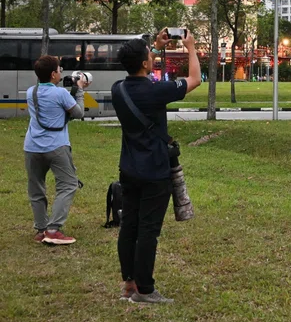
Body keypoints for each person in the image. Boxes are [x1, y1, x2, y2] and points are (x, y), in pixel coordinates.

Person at [111, 29, 200, 304]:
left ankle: (129, 284)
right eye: (150, 55)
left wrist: (156, 47)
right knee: (149, 231)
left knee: (129, 226)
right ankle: (145, 291)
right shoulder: (154, 93)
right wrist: (191, 48)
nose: (152, 56)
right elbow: (195, 79)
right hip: (154, 171)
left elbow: (144, 76)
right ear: (144, 64)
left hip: (129, 168)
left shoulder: (119, 89)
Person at [24, 56, 89, 245]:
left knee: (36, 188)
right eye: (59, 70)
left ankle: (41, 229)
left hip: (32, 147)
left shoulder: (31, 92)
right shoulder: (61, 94)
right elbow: (78, 113)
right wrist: (80, 90)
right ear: (53, 74)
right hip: (56, 146)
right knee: (68, 185)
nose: (61, 72)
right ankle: (53, 230)